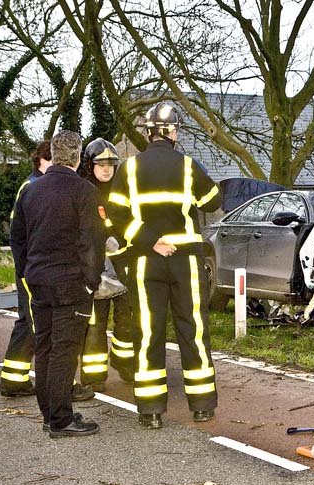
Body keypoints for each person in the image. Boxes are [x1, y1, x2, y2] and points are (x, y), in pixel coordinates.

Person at [107, 102, 222, 429]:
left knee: (148, 333)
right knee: (193, 329)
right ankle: (201, 406)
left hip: (146, 261)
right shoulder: (188, 166)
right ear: (172, 132)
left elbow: (115, 215)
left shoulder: (127, 169)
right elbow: (213, 201)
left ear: (147, 133)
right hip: (185, 260)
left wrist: (148, 239)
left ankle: (151, 410)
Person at [10, 130, 104, 438]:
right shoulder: (84, 191)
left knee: (45, 348)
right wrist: (92, 282)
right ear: (78, 157)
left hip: (38, 280)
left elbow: (18, 238)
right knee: (65, 350)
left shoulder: (31, 190)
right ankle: (62, 419)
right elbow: (91, 241)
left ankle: (50, 414)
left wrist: (27, 271)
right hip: (70, 283)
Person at [78, 138, 135, 391]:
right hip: (93, 271)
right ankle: (93, 377)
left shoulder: (124, 190)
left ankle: (125, 365)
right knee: (95, 325)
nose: (106, 169)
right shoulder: (81, 191)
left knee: (127, 321)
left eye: (111, 164)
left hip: (122, 267)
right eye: (100, 164)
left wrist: (120, 240)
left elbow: (133, 222)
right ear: (90, 166)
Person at [0, 141, 51, 397]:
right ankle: (13, 381)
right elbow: (19, 235)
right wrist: (25, 269)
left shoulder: (32, 185)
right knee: (33, 322)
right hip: (32, 269)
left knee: (28, 321)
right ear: (42, 160)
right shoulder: (33, 187)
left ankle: (14, 378)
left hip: (30, 268)